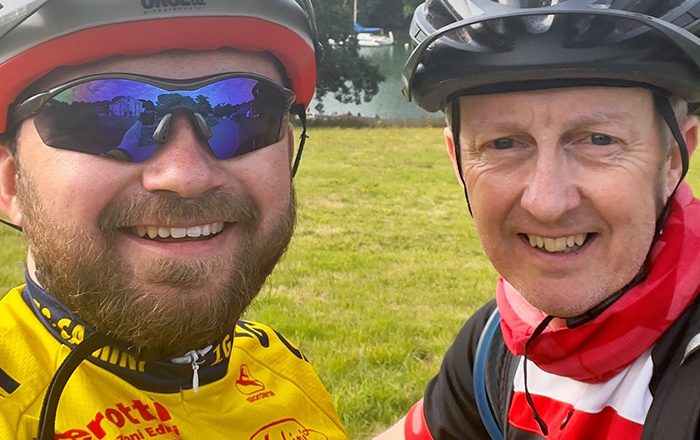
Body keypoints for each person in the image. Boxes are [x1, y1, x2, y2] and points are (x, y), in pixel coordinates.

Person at [0, 1, 349, 439]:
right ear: (10, 183)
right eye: (104, 117)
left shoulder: (281, 365)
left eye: (243, 112)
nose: (187, 176)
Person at [376, 1, 700, 439]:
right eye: (504, 143)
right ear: (457, 162)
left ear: (673, 159)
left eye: (599, 140)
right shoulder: (495, 342)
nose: (547, 203)